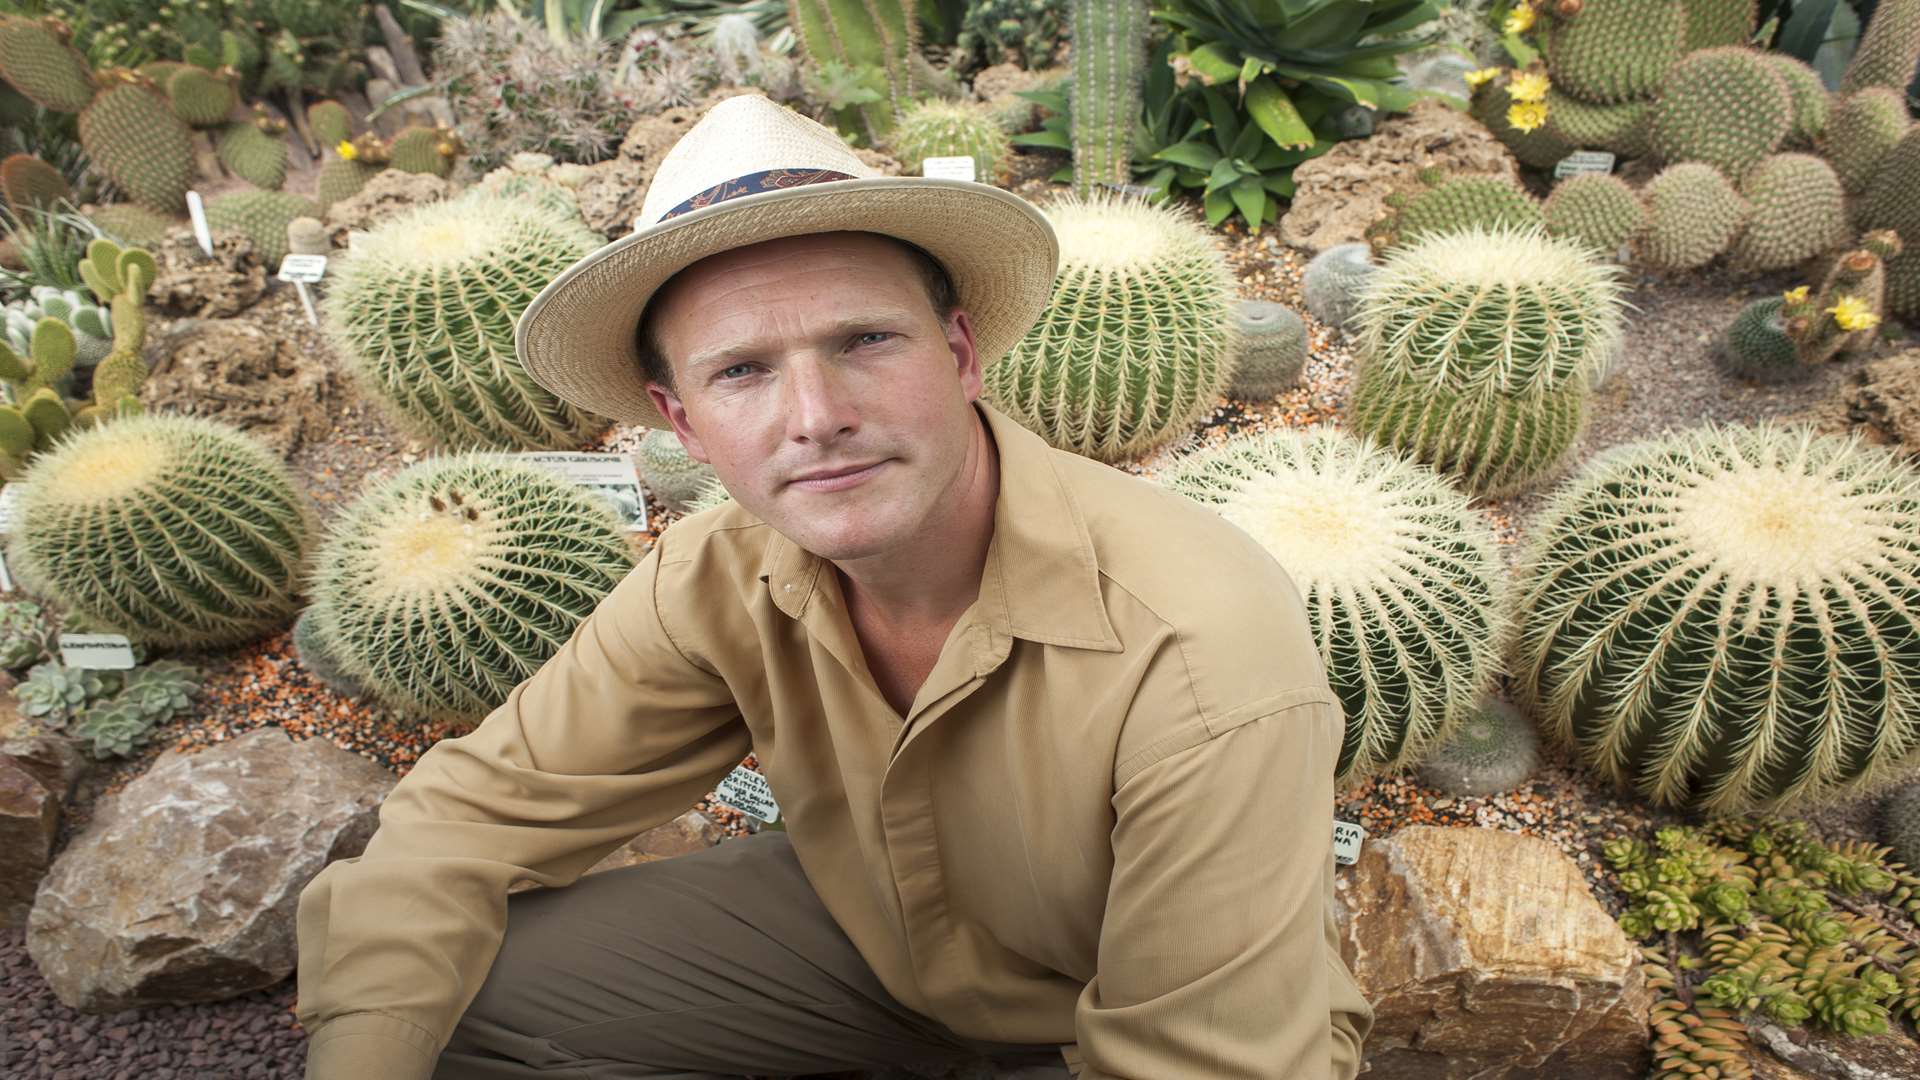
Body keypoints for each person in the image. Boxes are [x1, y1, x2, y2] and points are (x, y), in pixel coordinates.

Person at [295, 93, 1373, 1080]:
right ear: (683, 424)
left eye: (863, 340)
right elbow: (460, 826)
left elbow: (1207, 1066)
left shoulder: (1197, 643)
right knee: (440, 999)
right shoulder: (717, 578)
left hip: (1151, 1028)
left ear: (958, 353)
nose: (814, 415)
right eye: (742, 371)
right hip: (888, 952)